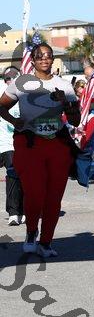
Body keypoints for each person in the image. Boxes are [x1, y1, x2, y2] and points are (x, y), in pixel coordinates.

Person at [0, 44, 81, 257]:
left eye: (48, 56)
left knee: (54, 196)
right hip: (30, 144)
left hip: (57, 144)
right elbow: (1, 106)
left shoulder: (64, 85)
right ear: (33, 60)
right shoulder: (21, 83)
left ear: (52, 59)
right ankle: (31, 231)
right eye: (39, 56)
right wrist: (14, 121)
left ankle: (46, 242)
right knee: (34, 192)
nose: (44, 59)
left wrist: (66, 104)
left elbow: (75, 120)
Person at [0, 68, 24, 225]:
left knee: (26, 177)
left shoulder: (25, 94)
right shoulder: (2, 93)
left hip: (25, 142)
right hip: (7, 142)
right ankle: (14, 212)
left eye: (14, 77)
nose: (11, 80)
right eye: (7, 78)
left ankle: (25, 210)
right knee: (13, 174)